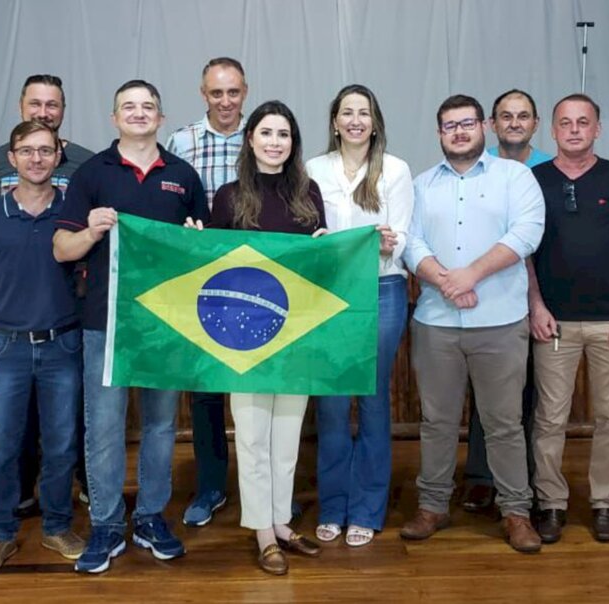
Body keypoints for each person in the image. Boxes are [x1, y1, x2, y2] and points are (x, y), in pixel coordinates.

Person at [53, 80, 208, 573]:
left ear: (161, 119)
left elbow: (201, 251)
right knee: (103, 427)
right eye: (129, 107)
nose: (139, 113)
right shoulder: (91, 174)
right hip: (105, 319)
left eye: (148, 107)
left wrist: (194, 241)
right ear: (114, 117)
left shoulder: (183, 176)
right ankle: (105, 524)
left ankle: (149, 517)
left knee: (162, 425)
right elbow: (61, 248)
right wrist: (92, 229)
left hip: (166, 325)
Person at [400, 94, 544, 553]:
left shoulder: (515, 177)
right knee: (437, 421)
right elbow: (410, 242)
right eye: (449, 126)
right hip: (437, 322)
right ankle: (433, 506)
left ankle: (516, 512)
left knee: (504, 423)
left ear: (483, 126)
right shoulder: (421, 185)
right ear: (439, 133)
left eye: (466, 123)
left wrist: (470, 275)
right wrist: (446, 281)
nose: (459, 132)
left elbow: (525, 234)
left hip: (500, 321)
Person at [196, 100, 326, 575]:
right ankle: (264, 532)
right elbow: (213, 268)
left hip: (295, 336)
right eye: (266, 133)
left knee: (287, 436)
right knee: (251, 436)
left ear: (293, 144)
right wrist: (198, 240)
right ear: (250, 139)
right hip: (244, 338)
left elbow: (319, 263)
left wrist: (326, 247)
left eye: (284, 135)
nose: (275, 142)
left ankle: (282, 521)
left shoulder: (308, 193)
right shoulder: (229, 197)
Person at [0, 121, 85, 573]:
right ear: (11, 158)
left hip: (62, 347)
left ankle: (56, 526)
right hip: (3, 349)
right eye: (26, 151)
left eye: (45, 151)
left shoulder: (74, 212)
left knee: (60, 445)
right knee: (2, 449)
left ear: (58, 157)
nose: (37, 159)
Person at [526, 94, 609, 544]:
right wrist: (535, 305)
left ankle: (604, 504)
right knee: (549, 419)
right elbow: (525, 253)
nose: (574, 129)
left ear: (598, 128)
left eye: (583, 122)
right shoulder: (532, 181)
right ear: (551, 131)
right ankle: (551, 503)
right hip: (552, 322)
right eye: (565, 122)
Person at [0, 73, 94, 518]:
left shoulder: (83, 163)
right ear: (21, 107)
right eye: (36, 104)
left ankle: (69, 497)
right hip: (8, 320)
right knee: (12, 428)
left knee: (66, 420)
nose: (44, 112)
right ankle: (17, 501)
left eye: (53, 105)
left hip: (66, 312)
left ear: (63, 112)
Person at [305, 84, 413, 547]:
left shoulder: (396, 169)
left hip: (382, 288)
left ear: (375, 120)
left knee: (371, 397)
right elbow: (306, 231)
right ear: (334, 121)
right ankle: (332, 505)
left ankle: (367, 508)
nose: (354, 120)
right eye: (346, 112)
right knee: (330, 402)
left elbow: (403, 235)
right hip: (328, 296)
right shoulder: (312, 169)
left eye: (363, 113)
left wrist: (391, 242)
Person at [165, 57, 248, 526]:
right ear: (203, 94)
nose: (225, 101)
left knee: (259, 386)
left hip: (255, 279)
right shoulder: (182, 141)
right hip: (201, 282)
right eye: (216, 93)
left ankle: (270, 491)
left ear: (245, 92)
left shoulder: (263, 136)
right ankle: (212, 486)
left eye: (232, 92)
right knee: (205, 393)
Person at [462, 88, 551, 513]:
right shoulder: (479, 170)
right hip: (490, 298)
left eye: (523, 116)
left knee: (532, 394)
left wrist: (538, 300)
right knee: (489, 394)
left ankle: (524, 480)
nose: (514, 122)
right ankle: (481, 476)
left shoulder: (549, 172)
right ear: (491, 125)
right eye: (505, 116)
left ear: (536, 123)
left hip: (545, 298)